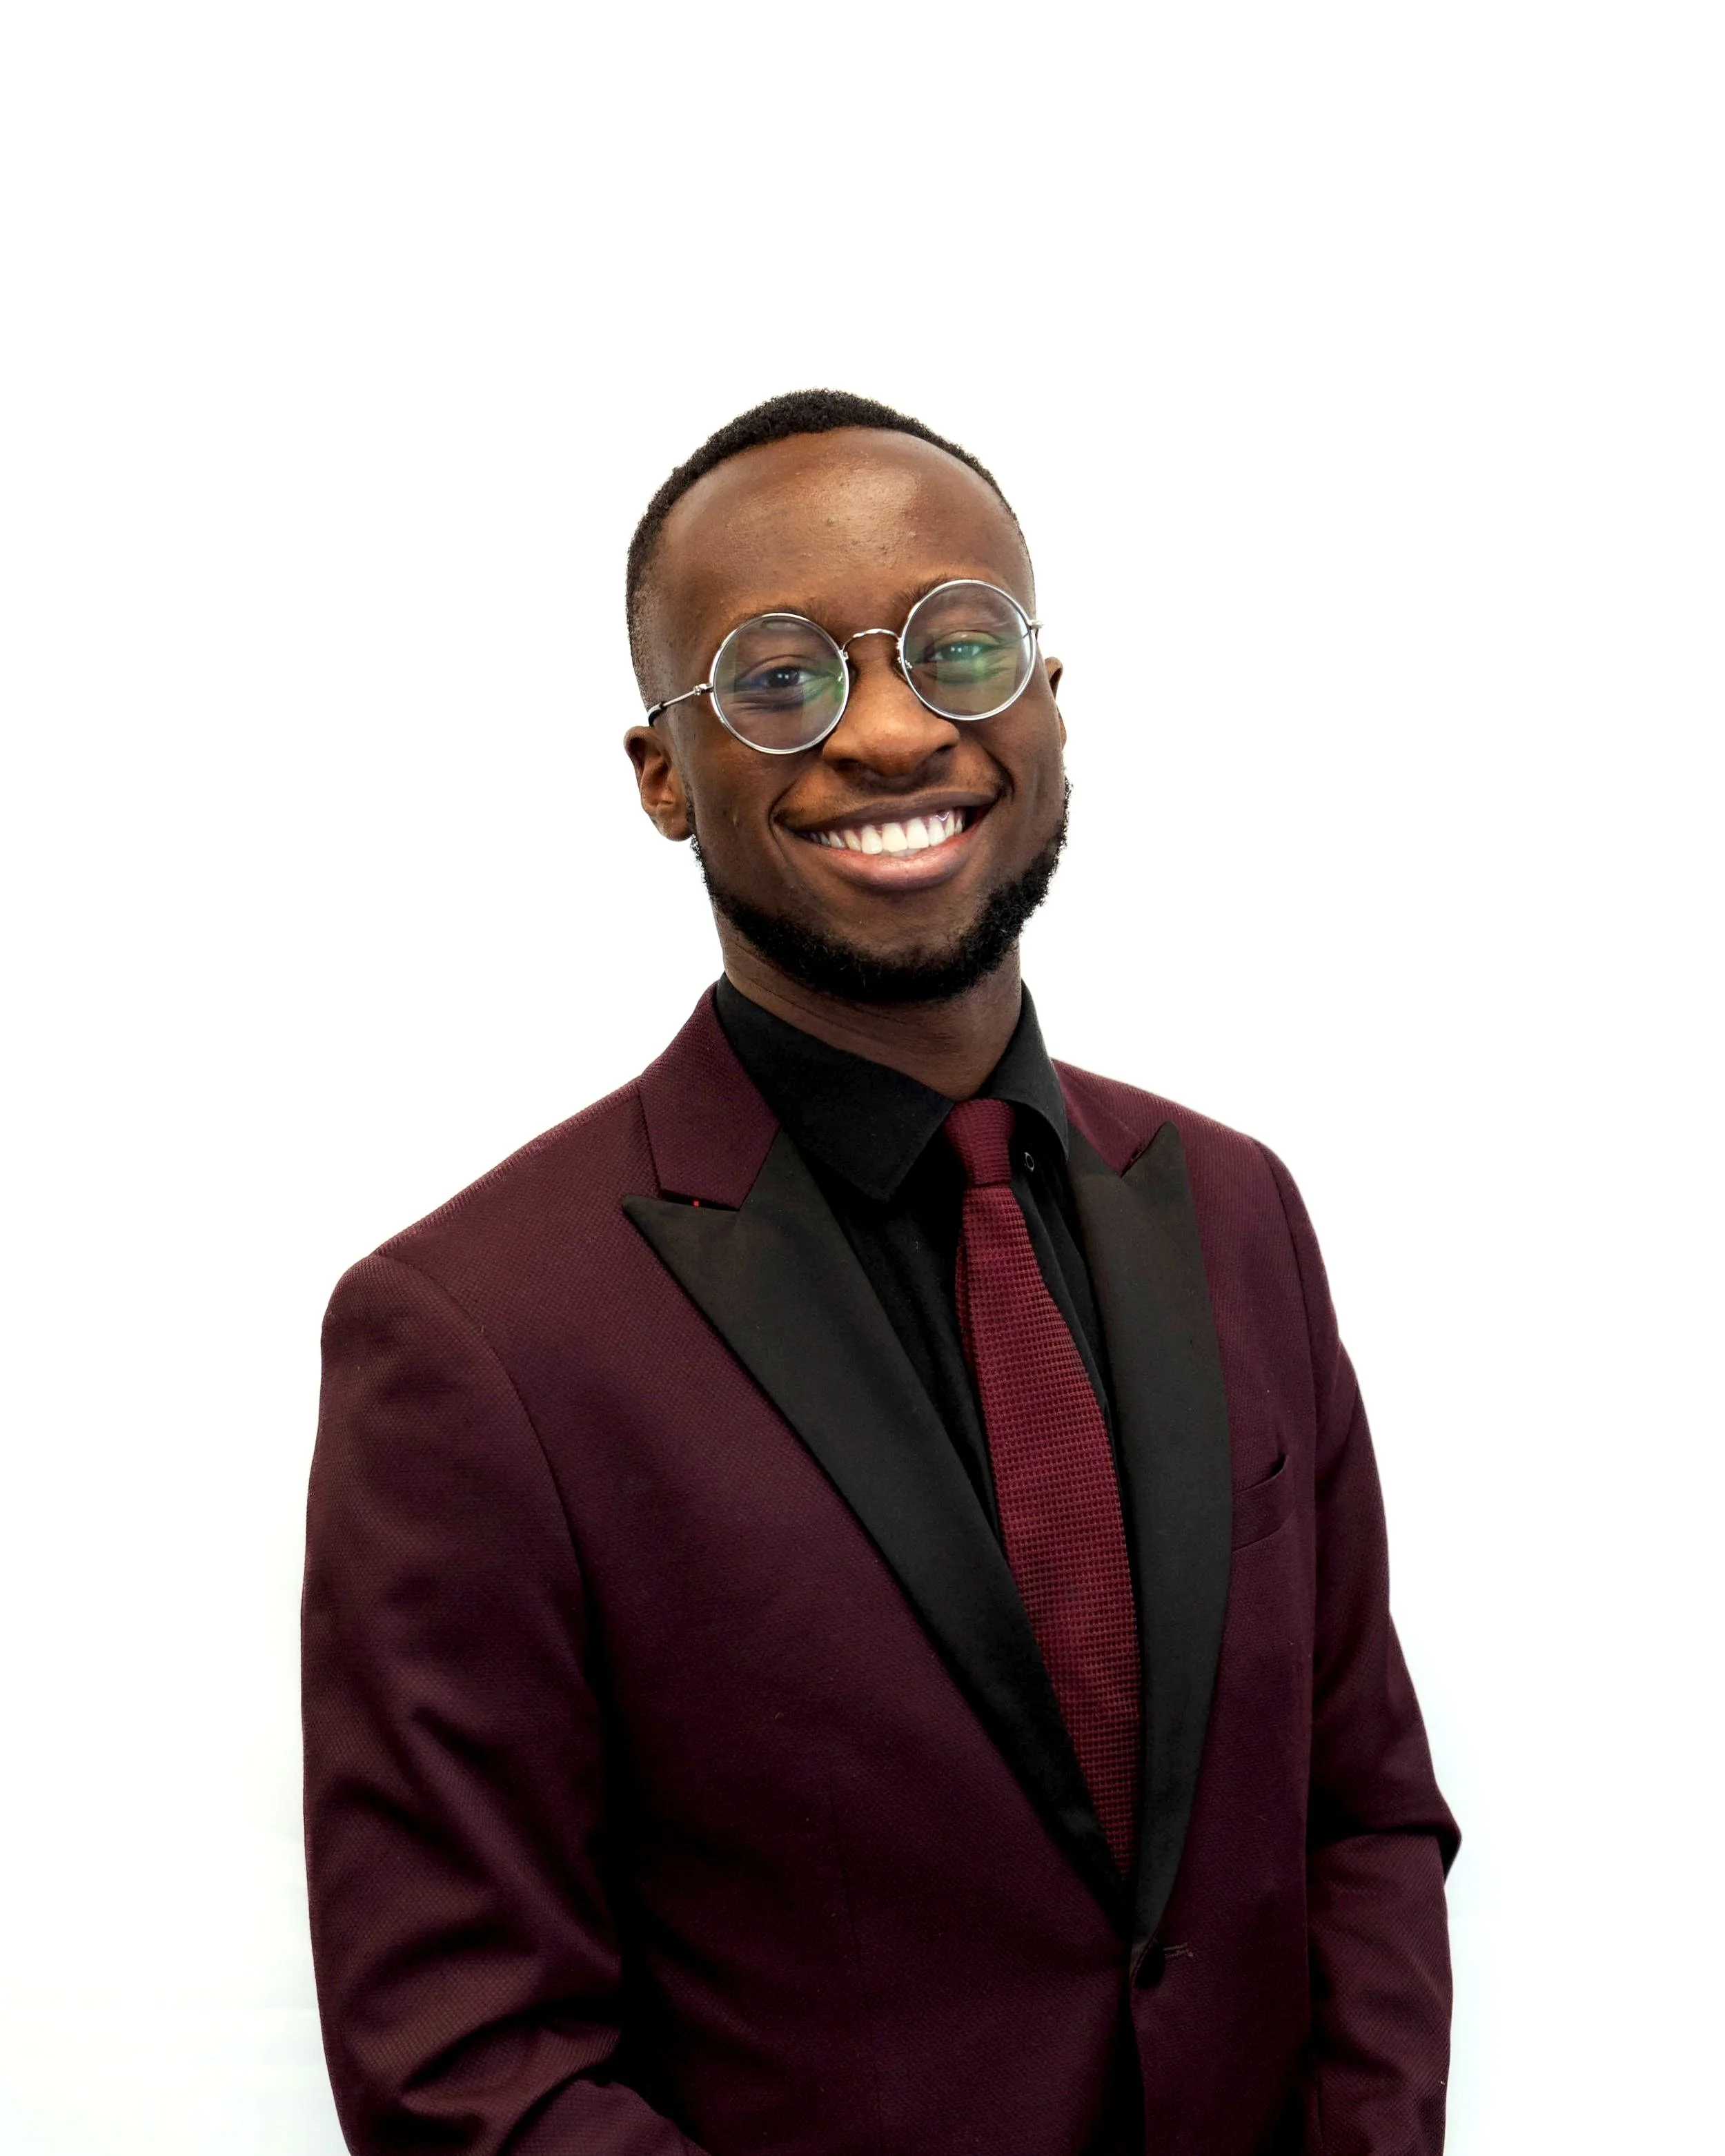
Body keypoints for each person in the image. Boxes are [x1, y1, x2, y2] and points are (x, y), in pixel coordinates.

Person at [302, 389, 1458, 2156]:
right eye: (779, 679)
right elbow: (470, 2056)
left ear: (1051, 704)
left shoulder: (1234, 1213)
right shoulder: (476, 1340)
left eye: (960, 645)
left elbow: (1361, 1813)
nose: (896, 730)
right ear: (662, 775)